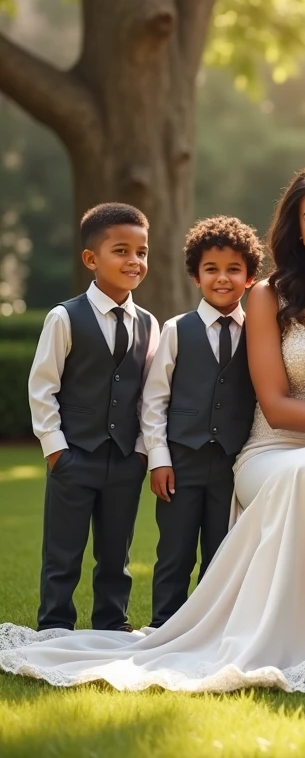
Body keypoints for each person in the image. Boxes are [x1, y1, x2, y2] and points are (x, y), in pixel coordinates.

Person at [0, 160, 305, 693]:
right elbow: (274, 405)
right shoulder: (270, 294)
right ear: (296, 225)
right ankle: (302, 635)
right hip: (270, 450)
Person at [27, 202, 159, 633]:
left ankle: (111, 625)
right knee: (62, 553)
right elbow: (42, 387)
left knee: (116, 554)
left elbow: (147, 394)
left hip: (124, 459)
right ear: (91, 259)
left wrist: (141, 452)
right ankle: (54, 626)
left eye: (141, 252)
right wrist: (56, 451)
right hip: (74, 455)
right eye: (121, 251)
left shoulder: (149, 323)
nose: (134, 261)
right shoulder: (65, 317)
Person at [141, 216, 262, 627]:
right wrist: (158, 458)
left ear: (250, 278)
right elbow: (154, 399)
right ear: (196, 276)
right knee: (174, 551)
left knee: (222, 550)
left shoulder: (260, 334)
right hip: (181, 462)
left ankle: (211, 628)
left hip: (232, 462)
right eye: (211, 269)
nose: (222, 278)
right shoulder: (176, 330)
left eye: (233, 269)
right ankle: (164, 625)